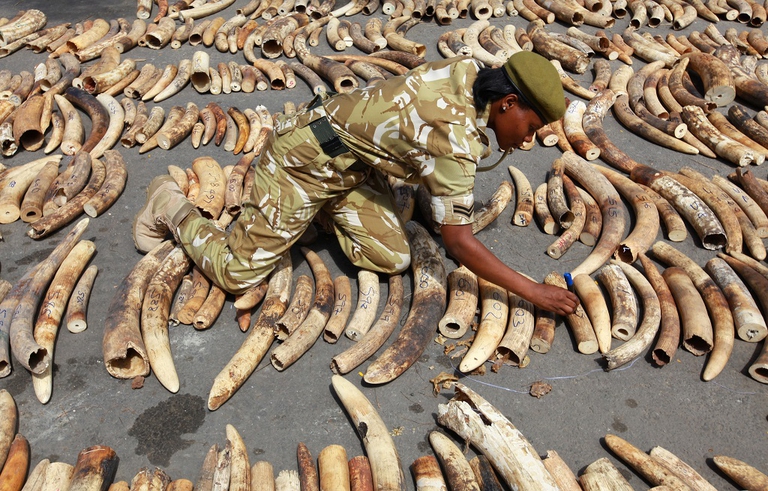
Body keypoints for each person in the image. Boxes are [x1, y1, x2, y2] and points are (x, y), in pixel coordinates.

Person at [132, 51, 579, 316]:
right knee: (237, 273)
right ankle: (166, 204)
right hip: (302, 160)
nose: (529, 139)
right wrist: (533, 290)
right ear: (508, 102)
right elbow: (458, 243)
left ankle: (318, 214)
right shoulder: (457, 139)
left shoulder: (470, 74)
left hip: (349, 165)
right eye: (531, 125)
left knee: (393, 255)